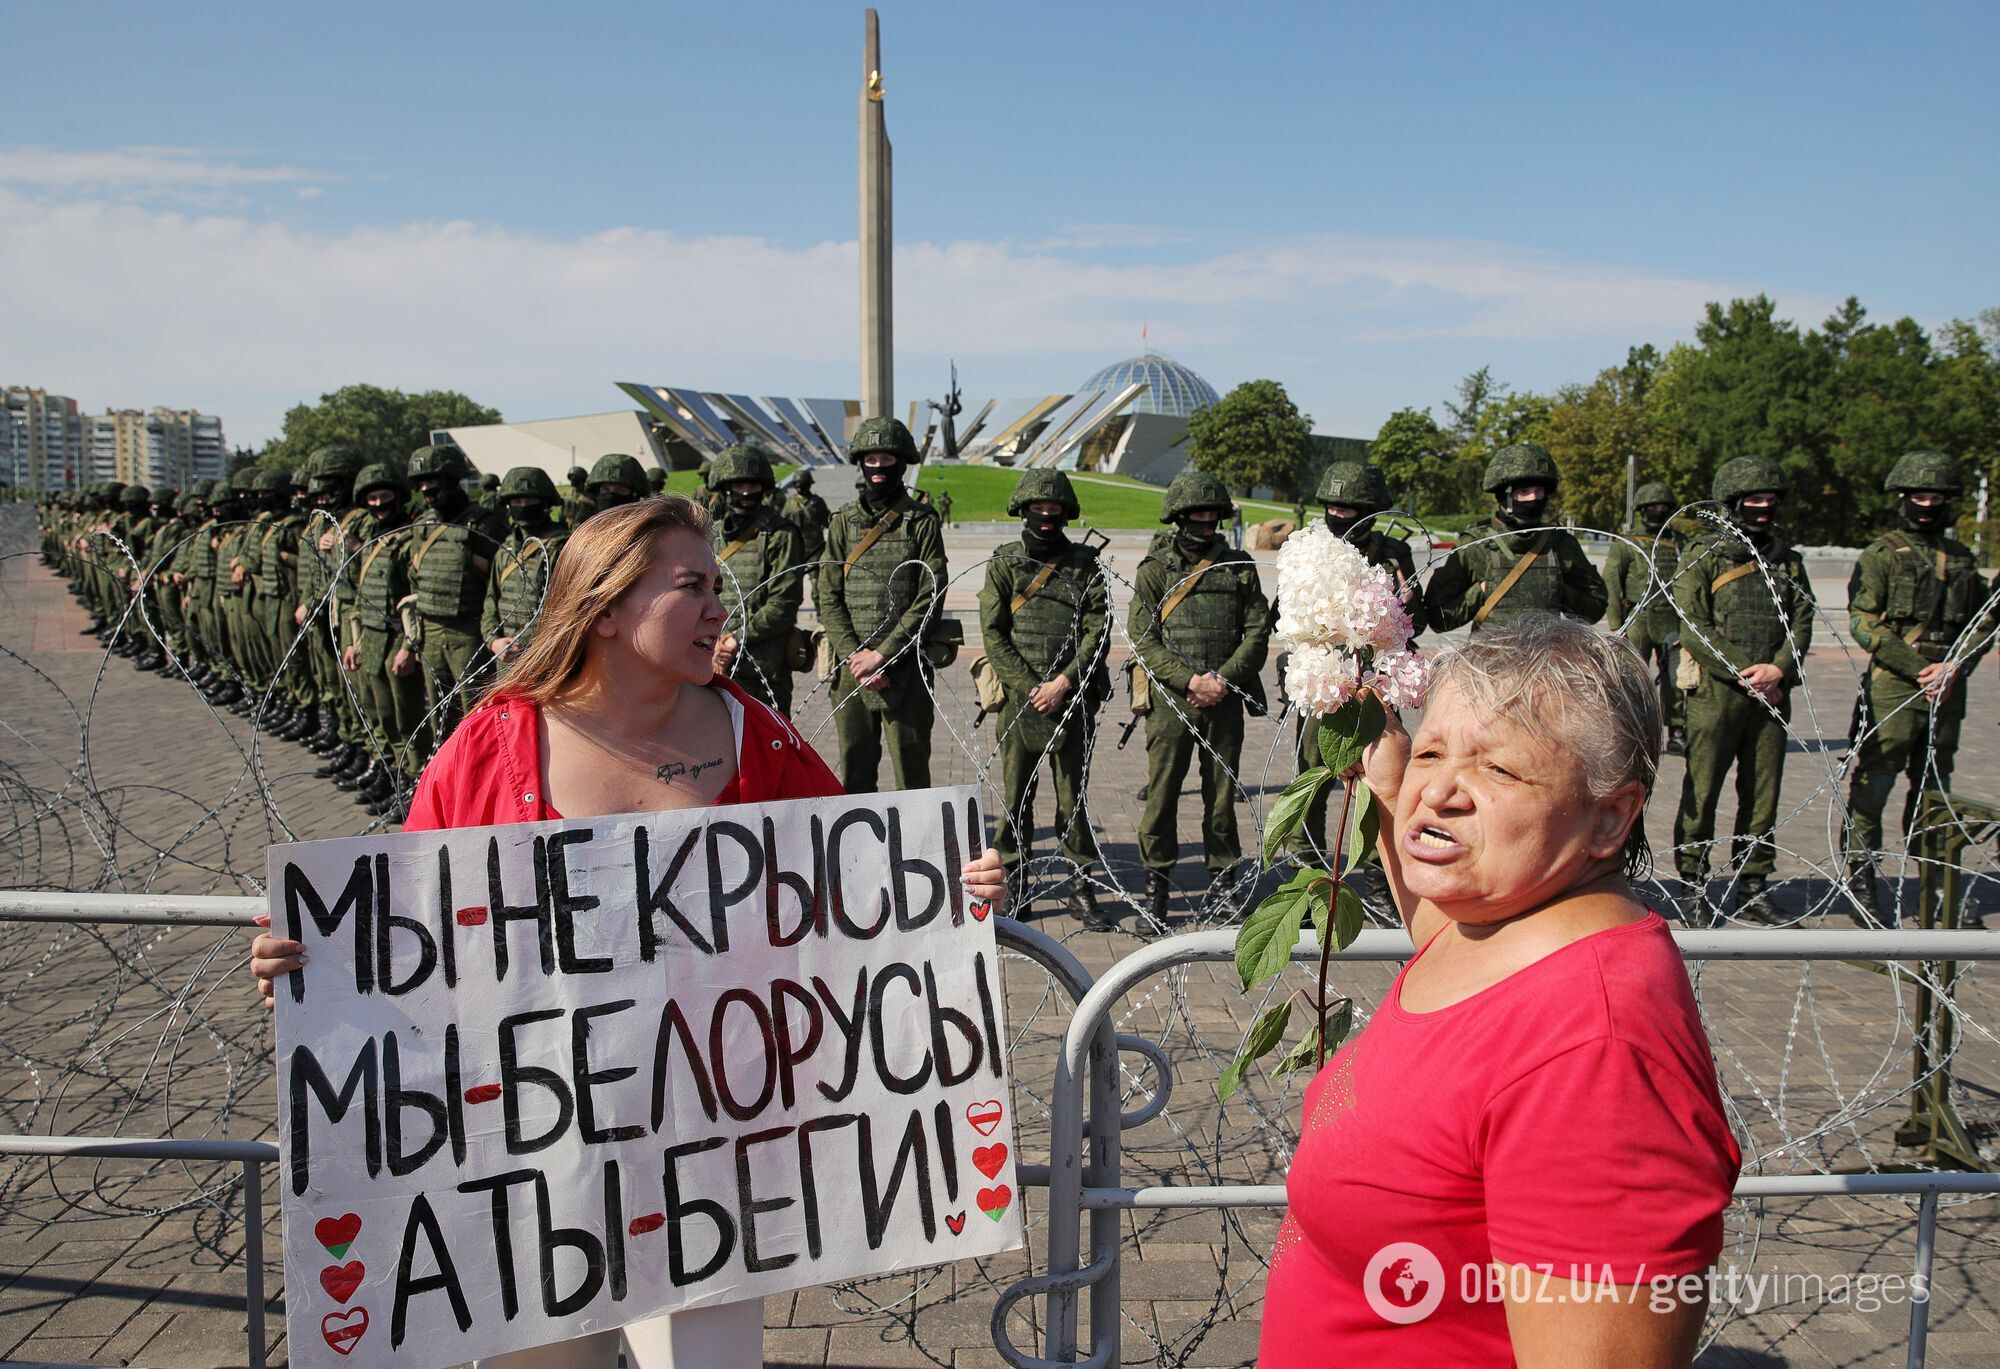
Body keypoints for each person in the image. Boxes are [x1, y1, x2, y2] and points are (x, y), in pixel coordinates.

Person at [248, 495, 1010, 1369]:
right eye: (692, 586)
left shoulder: (752, 735)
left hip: (713, 1164)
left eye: (718, 585)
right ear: (606, 607)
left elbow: (855, 887)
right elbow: (412, 928)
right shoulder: (492, 746)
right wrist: (317, 960)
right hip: (538, 1164)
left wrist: (947, 888)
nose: (722, 608)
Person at [1259, 615, 1739, 1368]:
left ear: (1611, 816)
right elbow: (1456, 970)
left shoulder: (1594, 1052)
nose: (1440, 791)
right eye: (1433, 751)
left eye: (1500, 771)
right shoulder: (1504, 921)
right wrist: (1393, 787)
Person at [1843, 450, 1999, 923]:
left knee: (1934, 787)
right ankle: (1862, 877)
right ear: (1904, 498)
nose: (1928, 504)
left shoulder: (1963, 559)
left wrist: (1954, 667)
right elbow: (1864, 621)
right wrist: (1918, 667)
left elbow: (1981, 622)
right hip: (1895, 686)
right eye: (1919, 495)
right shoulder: (1882, 555)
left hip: (1948, 689)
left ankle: (1933, 881)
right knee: (1874, 785)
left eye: (1937, 496)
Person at [1670, 456, 1812, 923]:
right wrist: (1743, 671)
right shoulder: (1704, 553)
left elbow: (1803, 618)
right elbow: (1694, 623)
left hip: (1771, 693)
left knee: (1762, 794)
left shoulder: (1786, 558)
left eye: (1771, 499)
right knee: (1703, 790)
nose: (1764, 507)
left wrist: (1779, 669)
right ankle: (1692, 882)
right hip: (1718, 694)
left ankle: (1753, 883)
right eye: (1754, 499)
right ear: (1733, 503)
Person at [1128, 468, 1272, 923]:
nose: (1204, 521)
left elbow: (1256, 631)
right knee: (1163, 796)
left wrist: (1224, 680)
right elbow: (1143, 637)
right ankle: (1158, 887)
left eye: (1211, 514)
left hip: (1224, 701)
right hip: (1172, 702)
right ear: (1178, 517)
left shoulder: (1239, 567)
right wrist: (1191, 681)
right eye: (1195, 514)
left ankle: (1223, 881)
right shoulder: (1155, 571)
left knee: (1222, 795)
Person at [979, 470, 1112, 928]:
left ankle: (1079, 885)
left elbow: (1099, 628)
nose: (1047, 517)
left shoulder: (1085, 564)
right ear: (1023, 510)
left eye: (1056, 511)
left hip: (1070, 700)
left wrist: (1065, 682)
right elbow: (994, 632)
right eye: (1039, 509)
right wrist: (1029, 686)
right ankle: (1017, 882)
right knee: (1016, 799)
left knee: (1072, 798)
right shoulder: (1004, 563)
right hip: (1021, 703)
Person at [1289, 461, 1419, 921]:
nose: (1341, 516)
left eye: (1352, 509)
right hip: (1326, 682)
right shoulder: (1311, 551)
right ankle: (1308, 880)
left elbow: (1413, 619)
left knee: (1380, 782)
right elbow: (1283, 615)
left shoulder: (1396, 554)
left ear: (1371, 512)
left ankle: (1380, 880)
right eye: (1333, 507)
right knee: (1313, 778)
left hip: (1377, 687)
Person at [818, 417, 948, 793]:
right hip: (853, 669)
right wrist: (857, 658)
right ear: (861, 462)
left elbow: (930, 592)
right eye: (870, 459)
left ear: (901, 462)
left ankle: (921, 849)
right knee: (855, 772)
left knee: (912, 775)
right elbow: (828, 595)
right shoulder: (843, 523)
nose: (877, 468)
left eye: (886, 459)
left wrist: (883, 655)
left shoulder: (921, 522)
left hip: (905, 669)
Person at [1426, 442, 1607, 632]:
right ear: (1504, 495)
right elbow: (1439, 617)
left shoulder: (1560, 543)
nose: (1533, 498)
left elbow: (1594, 609)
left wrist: (1559, 589)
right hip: (1490, 658)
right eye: (1524, 492)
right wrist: (1481, 590)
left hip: (1545, 657)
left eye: (1539, 491)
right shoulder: (1476, 545)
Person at [404, 444, 506, 742]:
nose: (426, 489)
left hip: (468, 632)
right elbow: (414, 577)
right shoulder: (423, 525)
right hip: (431, 631)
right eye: (420, 483)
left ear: (451, 479)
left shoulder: (482, 522)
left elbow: (498, 581)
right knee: (440, 715)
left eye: (432, 481)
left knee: (475, 714)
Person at [341, 464, 425, 818]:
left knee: (406, 719)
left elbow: (417, 596)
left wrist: (409, 645)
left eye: (384, 496)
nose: (378, 503)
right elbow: (362, 596)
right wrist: (354, 642)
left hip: (396, 639)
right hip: (371, 638)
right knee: (381, 715)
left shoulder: (408, 541)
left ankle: (414, 784)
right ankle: (393, 775)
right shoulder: (373, 542)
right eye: (371, 498)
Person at [705, 444, 804, 715]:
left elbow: (783, 603)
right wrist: (712, 642)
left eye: (753, 486)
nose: (747, 494)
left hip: (761, 668)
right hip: (711, 659)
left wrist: (735, 639)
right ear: (725, 489)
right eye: (739, 486)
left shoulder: (779, 535)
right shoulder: (710, 536)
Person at [1603, 481, 1686, 756]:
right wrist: (1617, 624)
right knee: (1632, 678)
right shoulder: (1627, 543)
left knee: (1675, 679)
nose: (1658, 511)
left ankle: (1676, 730)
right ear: (1641, 510)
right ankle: (1632, 730)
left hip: (1671, 619)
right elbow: (1612, 582)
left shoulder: (1678, 542)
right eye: (1652, 507)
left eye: (1663, 507)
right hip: (1637, 617)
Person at [483, 466, 571, 666]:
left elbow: (566, 608)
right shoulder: (505, 550)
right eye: (516, 501)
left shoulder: (561, 548)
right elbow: (490, 600)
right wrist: (494, 641)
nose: (523, 506)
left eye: (531, 500)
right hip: (506, 659)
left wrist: (530, 645)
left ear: (546, 503)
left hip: (545, 660)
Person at [584, 451, 649, 517]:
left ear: (635, 496)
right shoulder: (586, 525)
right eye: (605, 489)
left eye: (620, 490)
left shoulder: (647, 526)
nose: (611, 496)